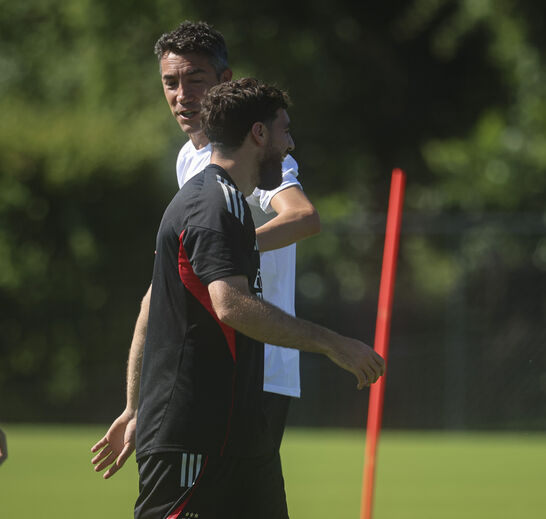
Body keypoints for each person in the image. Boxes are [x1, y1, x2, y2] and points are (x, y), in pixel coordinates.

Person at [131, 78, 384, 518]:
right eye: (284, 130)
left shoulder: (231, 203)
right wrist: (333, 344)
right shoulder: (211, 203)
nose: (290, 144)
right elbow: (230, 304)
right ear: (259, 134)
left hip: (239, 435)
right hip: (192, 436)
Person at [91, 21, 315, 480]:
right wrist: (135, 403)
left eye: (195, 80)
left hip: (258, 369)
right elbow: (164, 286)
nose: (182, 95)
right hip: (208, 370)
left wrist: (230, 246)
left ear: (224, 81)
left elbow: (302, 217)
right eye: (170, 82)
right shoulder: (189, 158)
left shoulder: (253, 152)